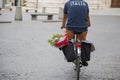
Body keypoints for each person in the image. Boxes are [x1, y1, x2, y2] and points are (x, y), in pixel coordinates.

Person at [61, 0, 91, 66]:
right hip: (83, 27)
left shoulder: (68, 3)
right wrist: (88, 23)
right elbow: (87, 15)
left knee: (70, 41)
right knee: (83, 41)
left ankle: (71, 56)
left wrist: (63, 25)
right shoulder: (85, 3)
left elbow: (65, 16)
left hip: (71, 27)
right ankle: (84, 59)